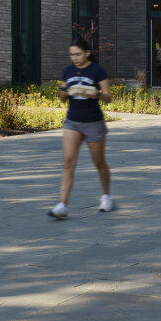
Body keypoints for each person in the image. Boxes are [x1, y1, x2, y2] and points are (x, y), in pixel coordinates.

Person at [50, 36, 114, 219]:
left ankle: (107, 196)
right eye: (72, 55)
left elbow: (108, 97)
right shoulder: (68, 71)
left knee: (99, 163)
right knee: (68, 162)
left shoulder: (97, 71)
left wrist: (97, 94)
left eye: (78, 54)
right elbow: (63, 96)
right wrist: (64, 93)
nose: (75, 58)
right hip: (73, 121)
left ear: (87, 53)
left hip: (93, 122)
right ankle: (62, 205)